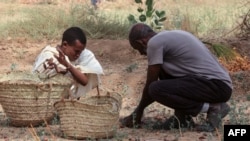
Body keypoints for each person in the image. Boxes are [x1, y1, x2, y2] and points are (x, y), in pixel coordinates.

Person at [120, 23, 232, 132]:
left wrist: (138, 112)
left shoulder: (154, 43)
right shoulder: (169, 36)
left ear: (141, 42)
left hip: (216, 86)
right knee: (163, 72)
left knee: (155, 88)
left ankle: (214, 108)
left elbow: (151, 83)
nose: (140, 53)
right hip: (219, 85)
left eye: (138, 49)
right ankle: (181, 119)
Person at [32, 26, 103, 99]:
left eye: (81, 52)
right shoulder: (50, 55)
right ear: (65, 44)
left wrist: (67, 65)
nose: (78, 55)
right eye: (76, 51)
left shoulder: (84, 55)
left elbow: (84, 81)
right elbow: (38, 79)